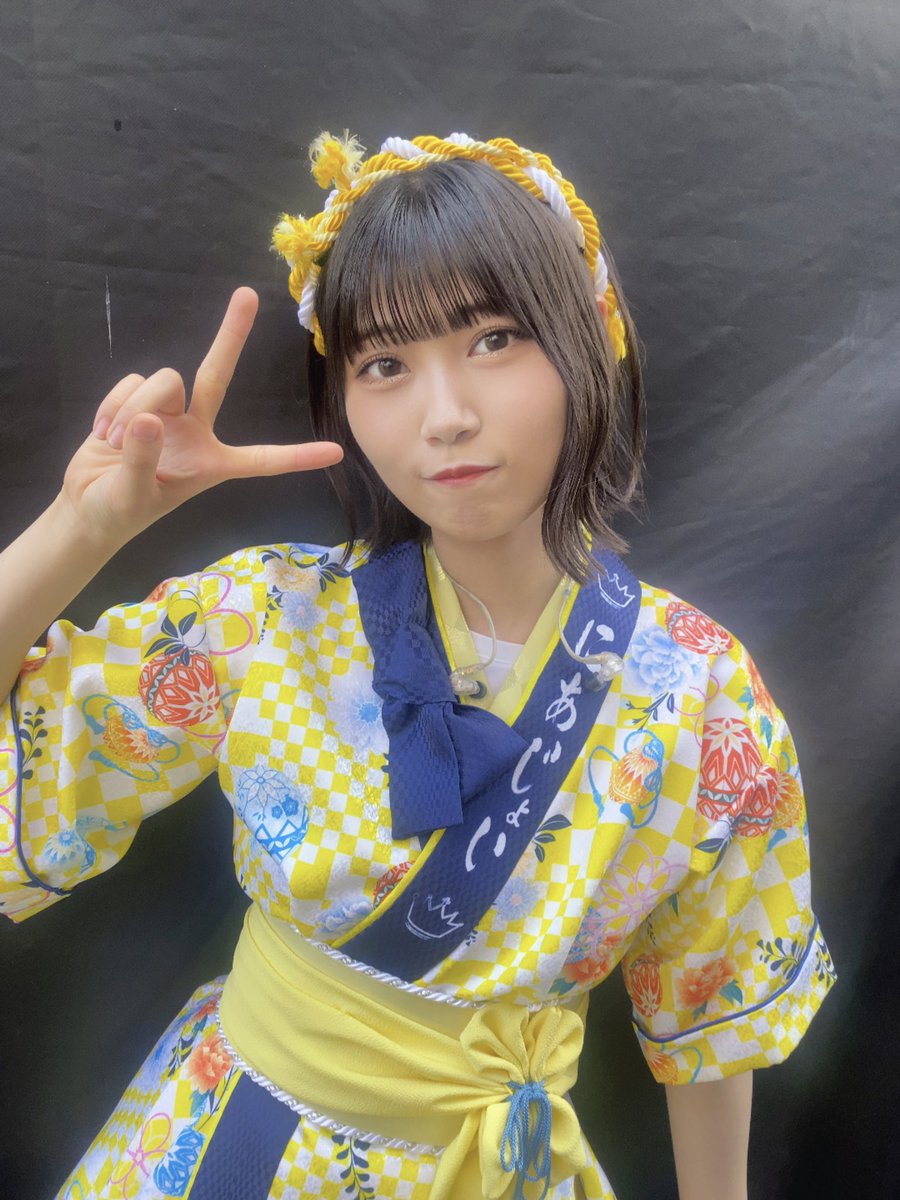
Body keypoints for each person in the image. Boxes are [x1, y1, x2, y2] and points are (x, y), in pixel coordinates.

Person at [0, 131, 836, 1200]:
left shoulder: (704, 693)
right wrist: (82, 530)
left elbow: (708, 1018)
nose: (445, 417)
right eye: (385, 365)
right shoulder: (268, 620)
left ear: (589, 340)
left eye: (495, 339)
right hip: (237, 1152)